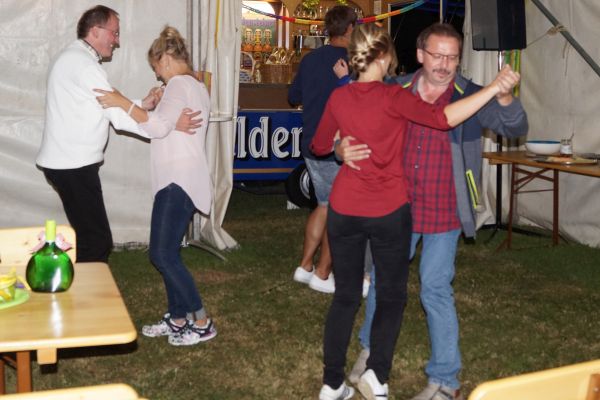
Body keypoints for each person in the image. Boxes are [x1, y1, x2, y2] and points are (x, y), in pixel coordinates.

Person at [311, 23, 521, 400]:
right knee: (382, 286)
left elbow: (515, 125)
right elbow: (350, 127)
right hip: (397, 207)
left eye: (452, 57)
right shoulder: (397, 89)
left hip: (442, 208)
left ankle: (444, 380)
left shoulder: (469, 94)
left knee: (434, 290)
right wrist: (341, 148)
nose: (444, 64)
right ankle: (372, 356)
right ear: (419, 54)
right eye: (437, 55)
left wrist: (502, 96)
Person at [36, 5, 200, 263]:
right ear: (95, 31)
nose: (117, 40)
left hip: (67, 164)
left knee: (90, 237)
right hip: (73, 166)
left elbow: (103, 105)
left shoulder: (73, 58)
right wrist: (166, 123)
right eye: (114, 33)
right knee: (96, 241)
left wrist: (143, 104)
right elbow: (116, 114)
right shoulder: (84, 65)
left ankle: (81, 283)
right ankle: (86, 288)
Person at [94, 26, 216, 346]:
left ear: (167, 59)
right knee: (168, 253)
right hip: (182, 179)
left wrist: (122, 101)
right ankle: (178, 318)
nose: (157, 74)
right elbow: (165, 126)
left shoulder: (178, 84)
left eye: (156, 66)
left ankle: (201, 321)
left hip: (178, 180)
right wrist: (159, 111)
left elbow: (158, 128)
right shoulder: (195, 85)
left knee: (162, 254)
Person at [288, 5, 357, 294]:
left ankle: (305, 266)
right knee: (337, 209)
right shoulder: (352, 62)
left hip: (311, 143)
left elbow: (293, 96)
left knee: (325, 204)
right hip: (337, 146)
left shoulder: (310, 59)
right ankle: (322, 272)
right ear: (350, 29)